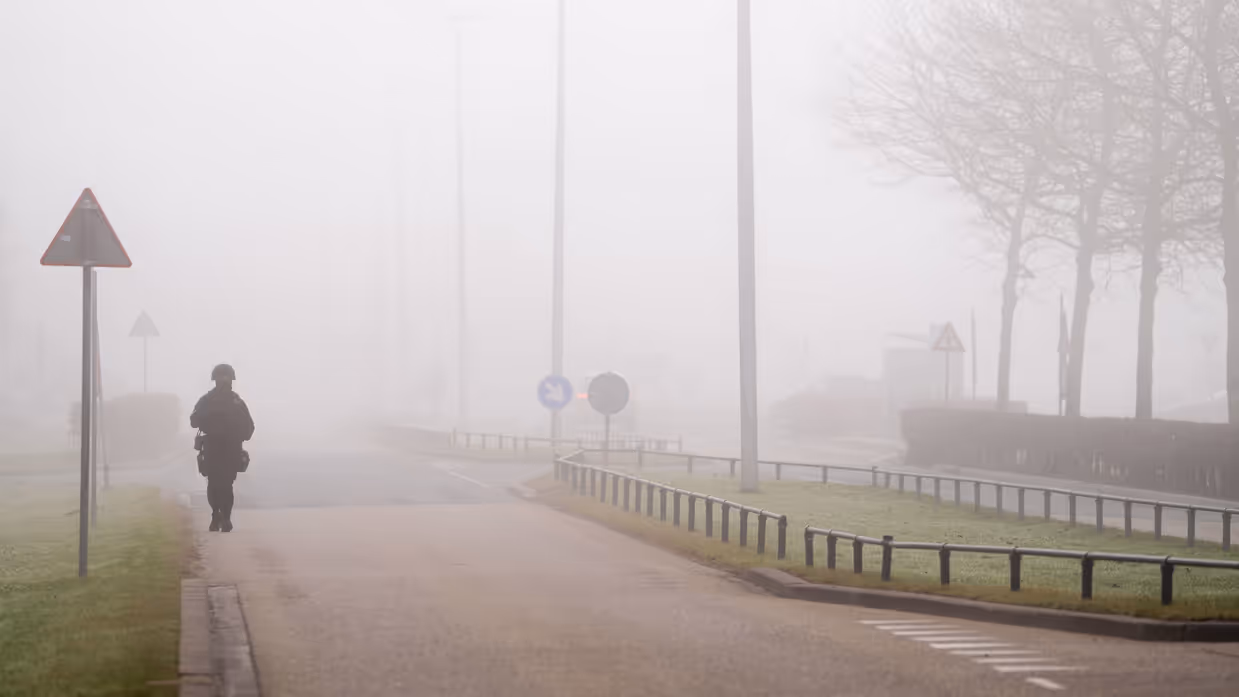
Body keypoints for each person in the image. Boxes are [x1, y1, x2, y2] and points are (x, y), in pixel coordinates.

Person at [190, 364, 254, 532]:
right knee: (227, 485)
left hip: (211, 448)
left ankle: (215, 515)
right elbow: (249, 429)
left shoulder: (206, 400)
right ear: (231, 380)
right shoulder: (237, 401)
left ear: (214, 380)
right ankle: (225, 517)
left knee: (213, 483)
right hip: (231, 449)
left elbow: (194, 421)